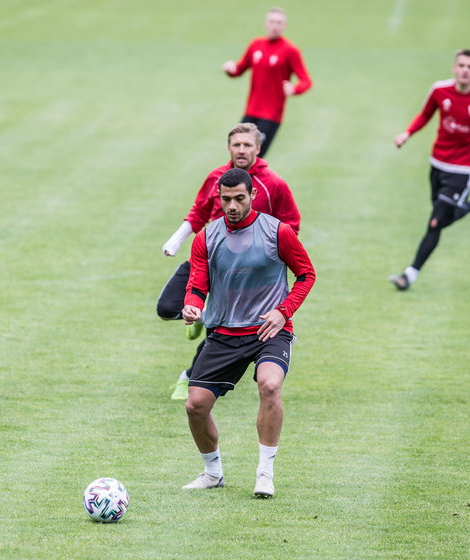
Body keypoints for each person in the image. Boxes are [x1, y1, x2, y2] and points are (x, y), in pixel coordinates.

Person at [180, 167, 315, 498]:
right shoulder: (206, 238)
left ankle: (265, 473)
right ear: (219, 198)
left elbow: (306, 274)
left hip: (269, 330)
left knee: (270, 385)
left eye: (239, 198)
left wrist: (283, 312)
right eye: (226, 200)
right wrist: (192, 305)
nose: (232, 206)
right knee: (195, 406)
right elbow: (198, 284)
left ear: (253, 196)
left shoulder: (277, 232)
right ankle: (213, 473)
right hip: (225, 333)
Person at [158, 123, 301, 400]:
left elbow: (291, 224)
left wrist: (271, 256)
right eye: (236, 145)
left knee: (223, 330)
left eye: (247, 145)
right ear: (228, 148)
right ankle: (202, 316)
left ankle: (190, 379)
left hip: (247, 272)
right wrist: (175, 241)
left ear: (258, 148)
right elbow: (199, 212)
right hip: (208, 258)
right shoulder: (216, 177)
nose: (241, 150)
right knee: (166, 307)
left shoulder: (273, 184)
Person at [389, 49, 470, 291]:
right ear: (454, 68)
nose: (465, 70)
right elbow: (425, 114)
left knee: (436, 222)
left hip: (465, 168)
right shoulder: (439, 90)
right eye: (461, 65)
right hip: (438, 163)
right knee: (442, 215)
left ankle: (410, 274)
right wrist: (406, 134)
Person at [222, 7, 312, 157]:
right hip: (250, 112)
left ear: (284, 26)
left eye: (279, 22)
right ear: (266, 24)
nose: (275, 26)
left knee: (254, 159)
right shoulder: (255, 45)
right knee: (237, 156)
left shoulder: (290, 50)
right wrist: (230, 69)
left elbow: (306, 80)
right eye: (272, 21)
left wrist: (294, 89)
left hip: (270, 116)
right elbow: (240, 69)